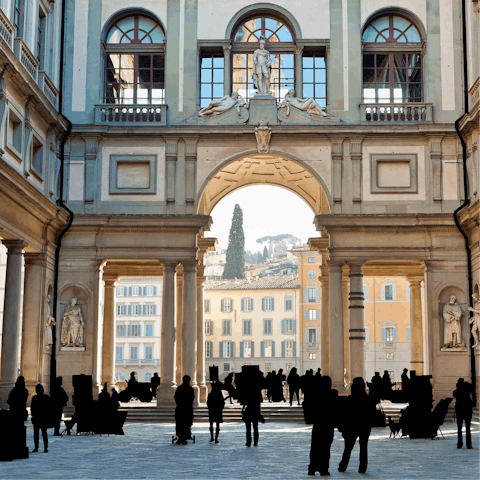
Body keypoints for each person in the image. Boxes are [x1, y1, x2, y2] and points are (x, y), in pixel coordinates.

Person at [338, 377, 376, 474]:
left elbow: (345, 415)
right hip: (364, 426)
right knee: (363, 447)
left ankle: (343, 466)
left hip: (352, 427)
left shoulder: (350, 399)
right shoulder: (368, 399)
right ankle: (362, 468)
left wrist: (342, 427)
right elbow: (372, 412)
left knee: (348, 448)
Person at [308, 376, 337, 476]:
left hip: (318, 424)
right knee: (325, 448)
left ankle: (312, 467)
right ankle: (324, 468)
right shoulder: (332, 394)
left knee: (315, 447)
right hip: (328, 425)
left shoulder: (316, 395)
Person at [453, 378, 473, 449]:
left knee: (459, 428)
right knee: (468, 428)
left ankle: (459, 444)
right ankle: (469, 445)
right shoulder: (468, 389)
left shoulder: (457, 391)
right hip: (467, 410)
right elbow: (471, 389)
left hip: (460, 410)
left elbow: (454, 395)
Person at [174, 375, 195, 445]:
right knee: (187, 423)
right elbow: (192, 398)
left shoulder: (179, 388)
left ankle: (180, 437)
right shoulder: (190, 389)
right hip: (188, 408)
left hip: (180, 408)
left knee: (179, 423)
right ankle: (185, 436)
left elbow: (176, 397)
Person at [31, 384, 51, 453]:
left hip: (37, 418)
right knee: (44, 433)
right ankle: (45, 447)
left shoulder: (34, 398)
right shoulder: (46, 397)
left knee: (36, 434)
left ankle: (36, 447)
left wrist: (33, 416)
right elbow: (49, 408)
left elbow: (32, 409)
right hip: (43, 418)